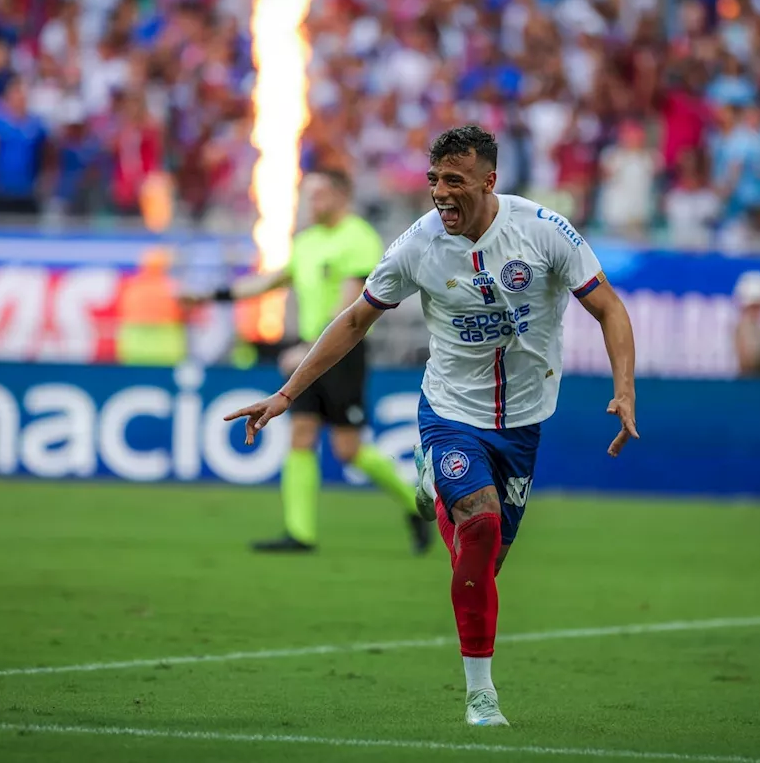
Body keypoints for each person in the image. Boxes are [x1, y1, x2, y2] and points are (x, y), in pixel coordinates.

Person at [224, 126, 639, 726]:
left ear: (489, 181)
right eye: (434, 180)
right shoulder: (416, 245)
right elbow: (354, 320)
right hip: (450, 411)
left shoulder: (543, 230)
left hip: (525, 420)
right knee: (478, 528)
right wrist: (288, 392)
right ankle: (481, 695)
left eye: (455, 181)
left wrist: (623, 388)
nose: (440, 194)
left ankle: (431, 488)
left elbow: (608, 307)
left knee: (485, 563)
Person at [185, 170, 431, 555]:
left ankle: (415, 504)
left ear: (340, 195)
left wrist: (310, 347)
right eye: (308, 196)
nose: (310, 204)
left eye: (317, 196)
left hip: (341, 352)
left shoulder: (358, 237)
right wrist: (212, 296)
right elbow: (269, 282)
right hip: (307, 351)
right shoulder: (307, 242)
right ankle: (299, 533)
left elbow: (350, 305)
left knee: (348, 449)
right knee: (301, 436)